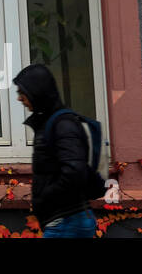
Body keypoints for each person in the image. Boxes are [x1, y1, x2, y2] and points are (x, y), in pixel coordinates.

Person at [13, 63, 97, 238]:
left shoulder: (63, 125)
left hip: (67, 221)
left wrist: (45, 197)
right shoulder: (52, 122)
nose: (19, 99)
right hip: (64, 220)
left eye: (22, 92)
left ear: (38, 92)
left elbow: (74, 172)